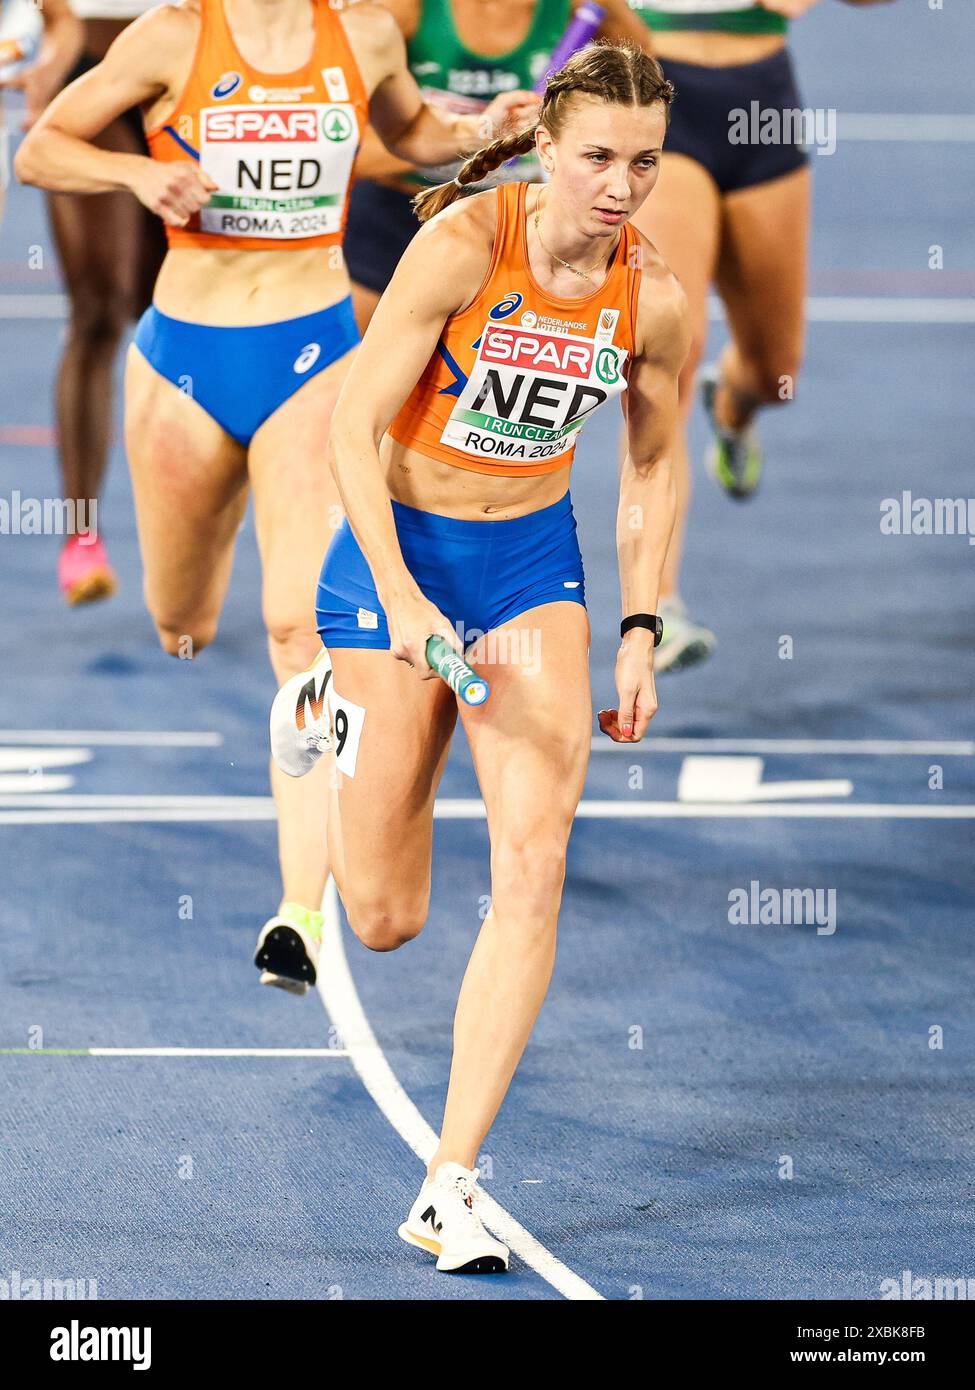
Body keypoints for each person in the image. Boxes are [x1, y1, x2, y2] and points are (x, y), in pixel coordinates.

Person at [15, 0, 536, 988]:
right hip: (184, 365)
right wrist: (137, 173)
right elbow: (42, 149)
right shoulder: (172, 37)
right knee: (185, 619)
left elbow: (409, 135)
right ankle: (205, 615)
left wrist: (478, 131)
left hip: (314, 352)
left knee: (298, 629)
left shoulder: (364, 35)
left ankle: (300, 909)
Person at [275, 39, 688, 1272]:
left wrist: (639, 629)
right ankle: (312, 709)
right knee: (390, 915)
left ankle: (450, 1178)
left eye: (645, 164)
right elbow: (353, 423)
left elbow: (655, 464)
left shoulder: (653, 297)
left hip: (527, 572)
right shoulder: (464, 247)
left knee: (536, 857)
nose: (619, 187)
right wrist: (398, 596)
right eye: (599, 159)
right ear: (548, 150)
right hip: (394, 557)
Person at [628, 0, 893, 673]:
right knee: (668, 356)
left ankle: (734, 405)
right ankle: (657, 607)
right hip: (652, 88)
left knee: (776, 370)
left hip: (758, 99)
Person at [344, 0, 659, 336]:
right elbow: (351, 152)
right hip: (399, 218)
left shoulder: (584, 7)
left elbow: (642, 91)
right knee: (357, 371)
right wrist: (477, 141)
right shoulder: (400, 11)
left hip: (516, 229)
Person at [10, 0, 166, 605]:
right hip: (92, 73)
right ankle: (80, 534)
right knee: (99, 314)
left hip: (203, 77)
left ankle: (193, 531)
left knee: (175, 313)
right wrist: (51, 54)